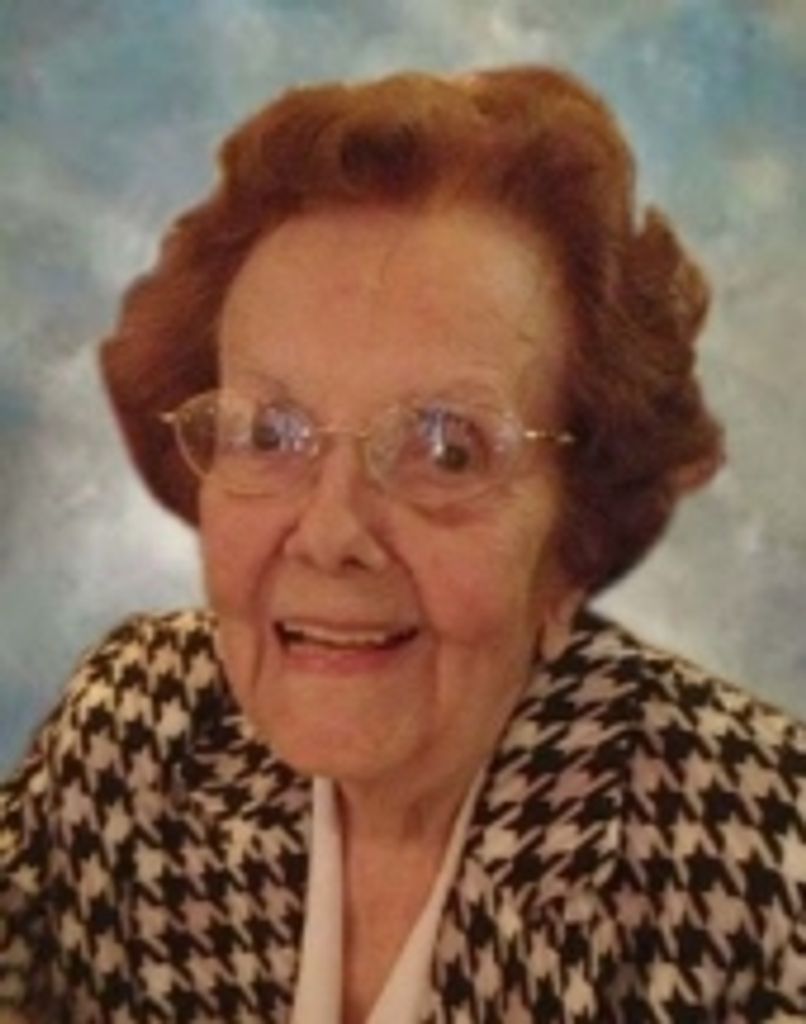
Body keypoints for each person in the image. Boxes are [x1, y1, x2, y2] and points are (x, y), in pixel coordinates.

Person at [1, 64, 804, 1024]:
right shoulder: (142, 730)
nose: (331, 533)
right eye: (267, 433)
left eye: (447, 449)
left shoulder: (755, 851)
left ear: (574, 538)